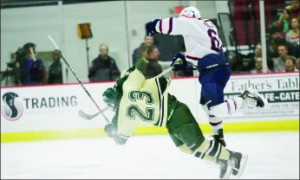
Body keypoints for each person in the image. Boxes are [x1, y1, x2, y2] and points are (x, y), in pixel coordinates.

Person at [145, 6, 267, 146]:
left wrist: (154, 25)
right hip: (213, 69)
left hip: (213, 71)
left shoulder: (193, 23)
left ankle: (246, 98)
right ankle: (218, 136)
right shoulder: (203, 28)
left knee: (217, 109)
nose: (182, 22)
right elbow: (202, 52)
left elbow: (177, 25)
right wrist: (184, 60)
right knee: (206, 106)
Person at [102, 66, 249, 179]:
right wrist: (119, 83)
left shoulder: (122, 116)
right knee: (184, 147)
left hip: (176, 115)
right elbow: (134, 71)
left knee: (200, 145)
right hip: (173, 115)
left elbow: (120, 140)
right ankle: (221, 160)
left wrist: (111, 129)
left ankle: (234, 156)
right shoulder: (129, 87)